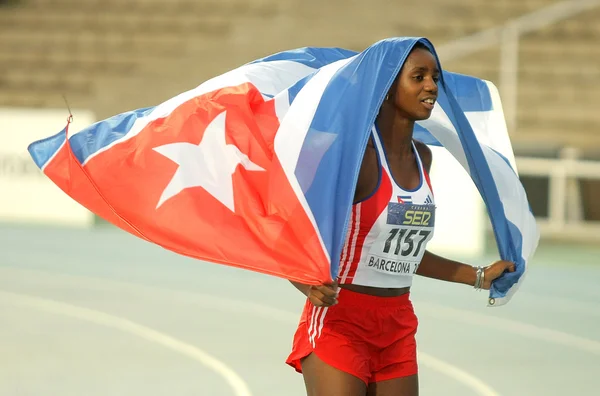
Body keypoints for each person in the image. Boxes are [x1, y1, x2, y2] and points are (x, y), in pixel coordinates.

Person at [285, 42, 515, 396]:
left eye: (435, 77)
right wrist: (305, 281)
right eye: (418, 77)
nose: (432, 87)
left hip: (397, 324)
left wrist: (478, 276)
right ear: (388, 86)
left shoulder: (423, 158)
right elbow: (289, 224)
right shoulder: (354, 157)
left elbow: (401, 255)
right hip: (341, 321)